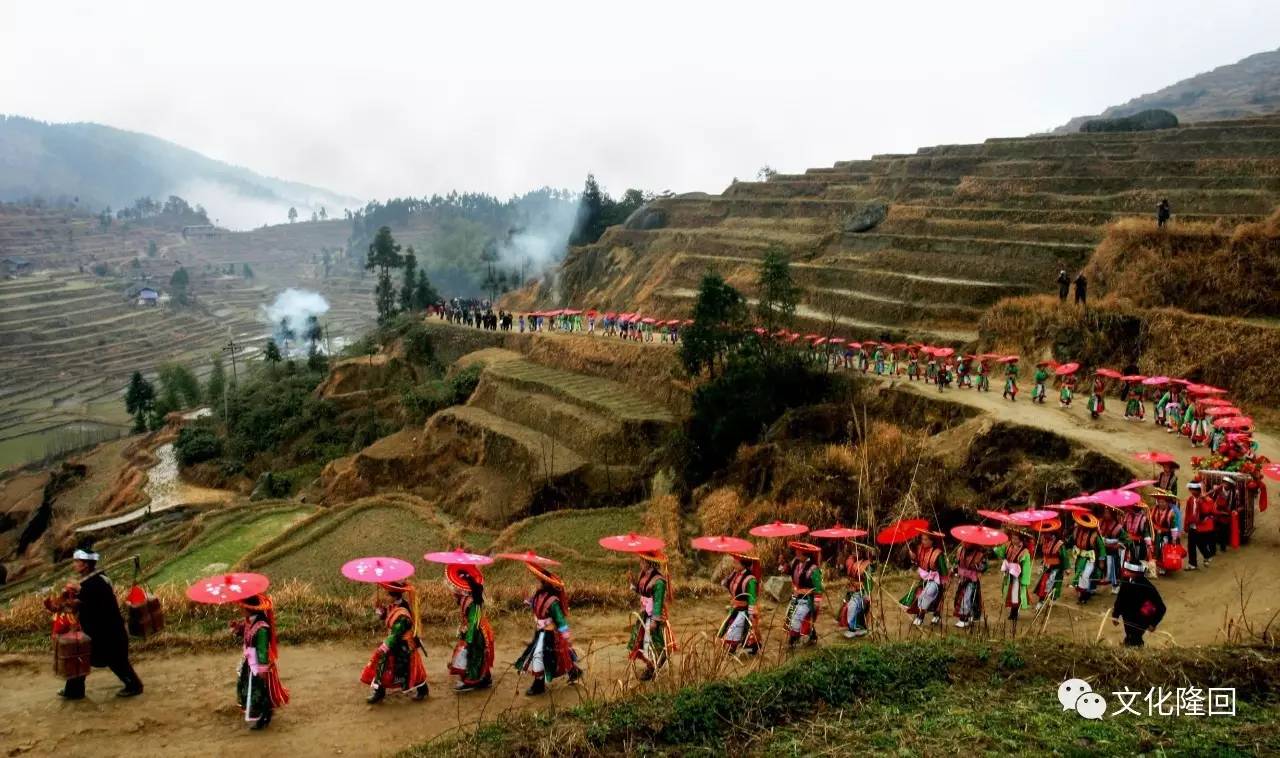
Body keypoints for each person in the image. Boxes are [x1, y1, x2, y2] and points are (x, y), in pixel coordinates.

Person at [59, 548, 143, 700]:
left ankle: (134, 686)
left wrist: (79, 591)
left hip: (109, 632)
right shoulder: (90, 581)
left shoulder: (97, 583)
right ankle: (74, 691)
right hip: (95, 631)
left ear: (86, 565)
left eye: (77, 562)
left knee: (116, 661)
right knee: (80, 656)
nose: (75, 564)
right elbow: (79, 603)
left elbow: (92, 598)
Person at [514, 561, 583, 695]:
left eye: (542, 582)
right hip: (541, 632)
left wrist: (564, 632)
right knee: (561, 655)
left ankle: (538, 685)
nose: (540, 584)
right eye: (540, 581)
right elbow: (534, 603)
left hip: (550, 634)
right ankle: (574, 672)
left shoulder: (553, 601)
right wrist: (528, 601)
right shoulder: (539, 595)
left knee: (540, 655)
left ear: (547, 585)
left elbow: (560, 619)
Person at [361, 581, 429, 703]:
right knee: (384, 665)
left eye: (388, 595)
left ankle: (423, 691)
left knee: (412, 669)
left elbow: (397, 632)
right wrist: (381, 613)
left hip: (403, 645)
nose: (386, 597)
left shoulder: (403, 612)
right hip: (395, 642)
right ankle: (379, 691)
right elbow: (389, 617)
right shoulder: (395, 606)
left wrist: (385, 645)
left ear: (394, 596)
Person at [234, 593, 289, 730]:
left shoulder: (262, 628)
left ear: (250, 609)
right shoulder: (250, 622)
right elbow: (247, 633)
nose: (241, 610)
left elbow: (262, 649)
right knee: (250, 688)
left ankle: (263, 716)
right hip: (250, 663)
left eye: (243, 607)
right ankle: (261, 714)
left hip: (258, 664)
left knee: (259, 691)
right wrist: (238, 629)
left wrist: (263, 669)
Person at [446, 564, 494, 692]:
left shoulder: (472, 602)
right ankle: (485, 678)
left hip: (477, 631)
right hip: (473, 629)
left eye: (456, 586)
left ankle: (472, 680)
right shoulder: (467, 599)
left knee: (474, 655)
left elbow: (474, 621)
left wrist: (469, 637)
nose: (454, 589)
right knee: (478, 655)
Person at [627, 550, 671, 680]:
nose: (640, 563)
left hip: (654, 615)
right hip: (645, 612)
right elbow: (642, 591)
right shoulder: (644, 575)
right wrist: (632, 584)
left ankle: (654, 665)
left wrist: (654, 621)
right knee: (642, 639)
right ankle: (652, 663)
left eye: (642, 561)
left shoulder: (659, 581)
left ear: (647, 562)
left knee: (652, 640)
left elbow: (657, 602)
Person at [1111, 561, 1166, 647]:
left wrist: (1153, 623)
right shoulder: (1126, 581)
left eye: (1128, 571)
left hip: (1141, 618)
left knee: (1135, 638)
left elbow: (1161, 607)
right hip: (1127, 616)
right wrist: (1115, 615)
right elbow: (1120, 598)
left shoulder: (1147, 587)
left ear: (1135, 573)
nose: (1125, 572)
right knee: (1130, 636)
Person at [781, 541, 825, 646]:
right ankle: (811, 636)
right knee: (789, 615)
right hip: (796, 597)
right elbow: (788, 571)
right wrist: (783, 564)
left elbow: (818, 588)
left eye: (799, 552)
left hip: (807, 599)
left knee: (798, 618)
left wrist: (816, 603)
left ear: (805, 554)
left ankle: (794, 640)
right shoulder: (795, 562)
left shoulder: (813, 569)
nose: (796, 553)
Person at [900, 531, 948, 626]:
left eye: (926, 539)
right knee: (919, 596)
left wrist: (943, 581)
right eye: (922, 539)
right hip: (924, 579)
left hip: (935, 581)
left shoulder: (938, 554)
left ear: (932, 541)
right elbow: (918, 563)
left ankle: (932, 616)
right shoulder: (920, 549)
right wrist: (913, 558)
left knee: (929, 597)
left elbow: (944, 571)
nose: (923, 541)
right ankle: (919, 616)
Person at [717, 553, 762, 654]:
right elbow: (729, 584)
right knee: (732, 627)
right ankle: (752, 647)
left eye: (736, 563)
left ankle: (732, 651)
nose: (734, 565)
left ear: (744, 565)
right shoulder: (735, 573)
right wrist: (725, 582)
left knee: (735, 629)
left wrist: (751, 614)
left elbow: (752, 598)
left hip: (744, 610)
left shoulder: (750, 580)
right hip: (736, 608)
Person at [997, 531, 1033, 635]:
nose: (1013, 540)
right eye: (1012, 538)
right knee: (1009, 593)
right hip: (1009, 574)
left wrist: (1025, 579)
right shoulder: (1008, 546)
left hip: (1018, 575)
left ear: (1021, 540)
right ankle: (1013, 612)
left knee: (1015, 595)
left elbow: (1026, 566)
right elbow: (1001, 553)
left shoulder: (1025, 552)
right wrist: (997, 546)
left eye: (1016, 539)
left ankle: (1014, 612)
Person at [837, 547, 873, 639]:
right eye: (854, 551)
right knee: (849, 607)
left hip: (861, 591)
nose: (855, 553)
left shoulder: (866, 565)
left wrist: (867, 594)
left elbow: (869, 581)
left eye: (857, 551)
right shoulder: (853, 561)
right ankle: (854, 628)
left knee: (854, 608)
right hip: (852, 590)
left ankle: (854, 629)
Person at [1070, 512, 1105, 604]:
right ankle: (1081, 595)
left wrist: (1101, 560)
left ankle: (1084, 596)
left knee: (1085, 575)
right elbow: (1070, 541)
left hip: (1090, 559)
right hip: (1079, 558)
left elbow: (1101, 547)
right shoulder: (1076, 531)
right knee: (1079, 575)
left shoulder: (1095, 535)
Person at [1034, 522, 1069, 609]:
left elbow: (1064, 556)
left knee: (1053, 584)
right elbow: (1045, 555)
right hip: (1047, 567)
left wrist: (1066, 568)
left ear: (1052, 532)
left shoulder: (1059, 544)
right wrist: (1043, 563)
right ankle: (1041, 600)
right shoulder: (1045, 541)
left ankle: (1051, 599)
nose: (1044, 534)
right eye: (1044, 532)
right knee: (1044, 584)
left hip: (1057, 568)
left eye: (1046, 533)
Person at [951, 540, 987, 629]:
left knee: (967, 598)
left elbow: (984, 566)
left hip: (972, 580)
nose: (964, 543)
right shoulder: (960, 550)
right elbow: (957, 562)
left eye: (967, 542)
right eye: (963, 541)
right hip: (962, 579)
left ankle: (964, 619)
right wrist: (954, 569)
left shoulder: (980, 553)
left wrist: (978, 567)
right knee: (960, 597)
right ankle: (969, 615)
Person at [1184, 481, 1216, 570]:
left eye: (1194, 490)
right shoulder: (1190, 499)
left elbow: (1206, 511)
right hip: (1192, 524)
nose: (1192, 492)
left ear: (1199, 491)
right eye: (1191, 490)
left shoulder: (1208, 500)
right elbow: (1188, 512)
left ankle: (1207, 555)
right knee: (1191, 544)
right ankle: (1192, 563)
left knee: (1200, 543)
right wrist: (1186, 524)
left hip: (1202, 525)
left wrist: (1201, 502)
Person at [1150, 491, 1182, 574]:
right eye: (1159, 502)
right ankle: (1155, 567)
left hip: (1166, 535)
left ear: (1167, 502)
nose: (1161, 504)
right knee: (1154, 550)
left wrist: (1174, 538)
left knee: (1163, 550)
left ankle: (1164, 567)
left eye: (1163, 502)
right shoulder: (1154, 509)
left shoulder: (1171, 513)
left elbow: (1173, 527)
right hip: (1155, 533)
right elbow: (1150, 520)